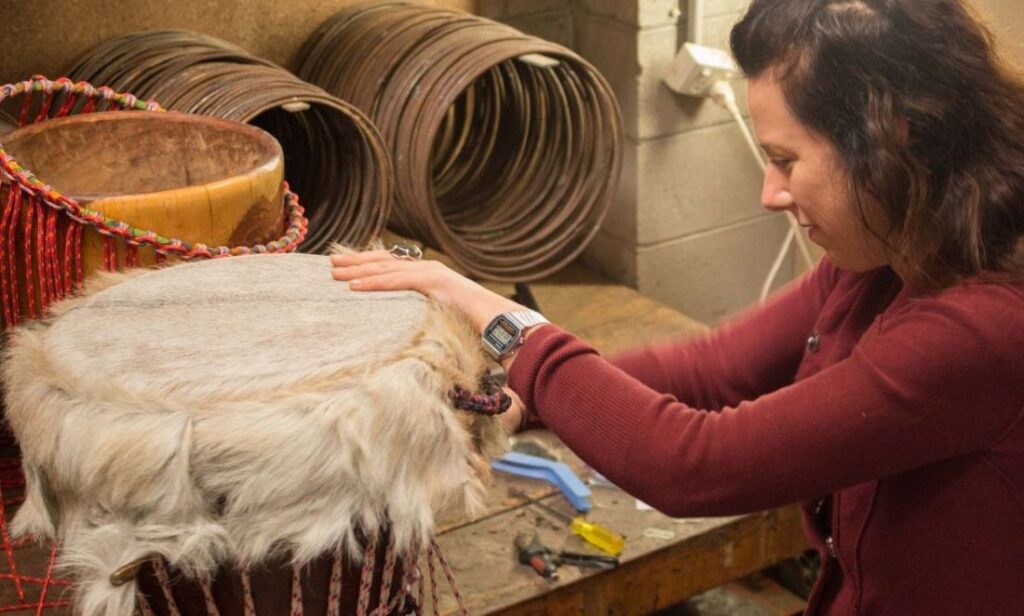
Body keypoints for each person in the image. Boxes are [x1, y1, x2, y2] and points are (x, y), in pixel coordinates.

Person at [331, 0, 1024, 613]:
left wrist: (495, 320)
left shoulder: (983, 329)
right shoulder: (891, 248)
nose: (770, 193)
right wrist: (524, 399)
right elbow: (716, 368)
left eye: (785, 160)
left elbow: (693, 463)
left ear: (892, 138)